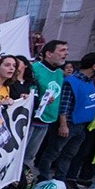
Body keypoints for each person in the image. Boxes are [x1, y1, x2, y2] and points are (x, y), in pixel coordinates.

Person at [36, 51, 95, 189]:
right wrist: (63, 124)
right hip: (69, 124)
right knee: (54, 152)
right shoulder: (72, 81)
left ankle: (60, 181)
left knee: (69, 155)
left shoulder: (89, 81)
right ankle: (43, 179)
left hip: (81, 125)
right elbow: (64, 105)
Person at [21, 40, 69, 173]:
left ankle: (23, 183)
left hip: (46, 120)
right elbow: (28, 91)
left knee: (30, 155)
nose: (66, 53)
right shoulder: (35, 69)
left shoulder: (60, 73)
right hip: (31, 118)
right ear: (48, 53)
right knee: (20, 153)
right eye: (62, 50)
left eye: (66, 50)